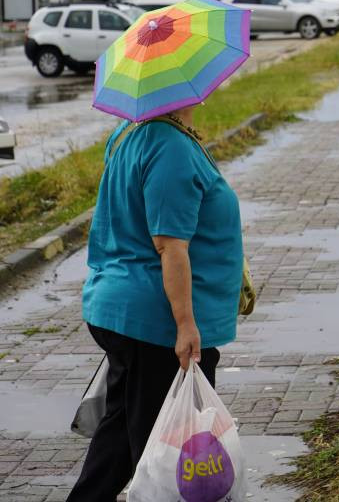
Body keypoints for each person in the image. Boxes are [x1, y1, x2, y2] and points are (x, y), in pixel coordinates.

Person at [67, 105, 243, 502]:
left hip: (125, 308)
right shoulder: (170, 147)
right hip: (156, 322)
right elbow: (169, 244)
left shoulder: (133, 132)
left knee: (122, 433)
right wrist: (185, 324)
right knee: (168, 454)